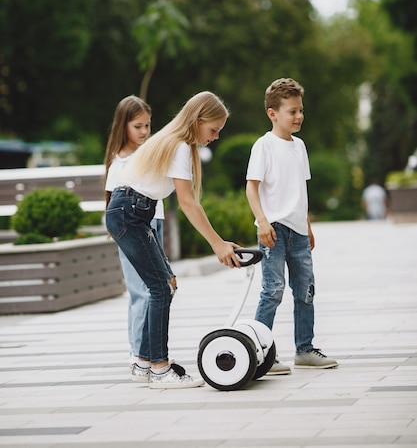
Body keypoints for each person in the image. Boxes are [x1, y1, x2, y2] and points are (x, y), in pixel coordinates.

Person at [105, 91, 241, 389]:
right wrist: (218, 244)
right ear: (198, 120)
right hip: (129, 212)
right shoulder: (178, 146)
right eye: (213, 129)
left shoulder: (174, 142)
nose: (215, 137)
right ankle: (160, 369)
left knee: (165, 284)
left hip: (131, 212)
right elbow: (189, 203)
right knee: (161, 289)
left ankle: (144, 363)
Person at [245, 78, 338, 373]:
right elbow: (251, 187)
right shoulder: (264, 146)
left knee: (306, 290)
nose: (298, 116)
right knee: (272, 290)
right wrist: (261, 221)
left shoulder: (300, 147)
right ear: (273, 114)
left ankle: (305, 349)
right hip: (273, 228)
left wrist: (307, 225)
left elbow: (300, 190)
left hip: (298, 230)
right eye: (292, 111)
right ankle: (262, 354)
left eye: (300, 111)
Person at [104, 95, 165, 383]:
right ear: (123, 126)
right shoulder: (119, 162)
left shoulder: (149, 153)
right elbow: (112, 200)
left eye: (147, 125)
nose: (144, 132)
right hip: (131, 226)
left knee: (157, 288)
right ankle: (137, 356)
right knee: (141, 291)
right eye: (138, 126)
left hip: (156, 221)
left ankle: (153, 353)